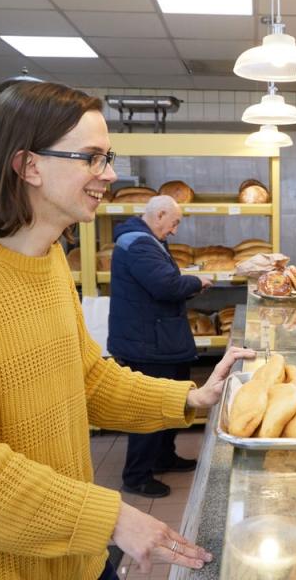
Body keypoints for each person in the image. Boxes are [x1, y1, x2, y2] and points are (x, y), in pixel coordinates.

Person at [0, 81, 254, 580]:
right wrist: (113, 518)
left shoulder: (50, 254)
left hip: (69, 552)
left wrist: (192, 399)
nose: (112, 174)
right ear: (29, 165)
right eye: (93, 158)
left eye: (109, 156)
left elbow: (86, 380)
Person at [108, 195, 214, 498]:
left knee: (174, 399)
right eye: (175, 223)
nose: (175, 230)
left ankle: (163, 456)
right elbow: (166, 286)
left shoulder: (147, 241)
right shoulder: (138, 244)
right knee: (149, 408)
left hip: (159, 338)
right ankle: (137, 475)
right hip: (147, 344)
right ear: (160, 214)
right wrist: (197, 282)